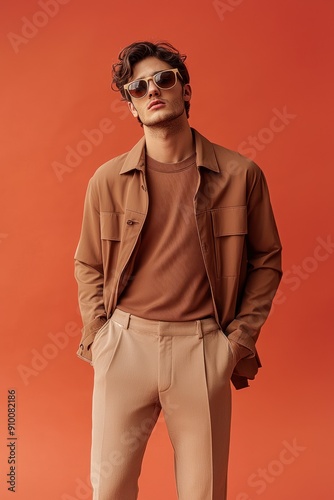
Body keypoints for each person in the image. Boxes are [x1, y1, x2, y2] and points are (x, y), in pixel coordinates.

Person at [74, 40, 282, 500]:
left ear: (185, 91)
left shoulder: (239, 174)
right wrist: (100, 336)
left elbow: (267, 260)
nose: (153, 90)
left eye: (164, 79)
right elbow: (87, 261)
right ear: (131, 105)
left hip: (203, 348)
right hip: (125, 346)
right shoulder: (107, 180)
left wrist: (236, 343)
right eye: (138, 86)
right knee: (109, 490)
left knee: (203, 493)